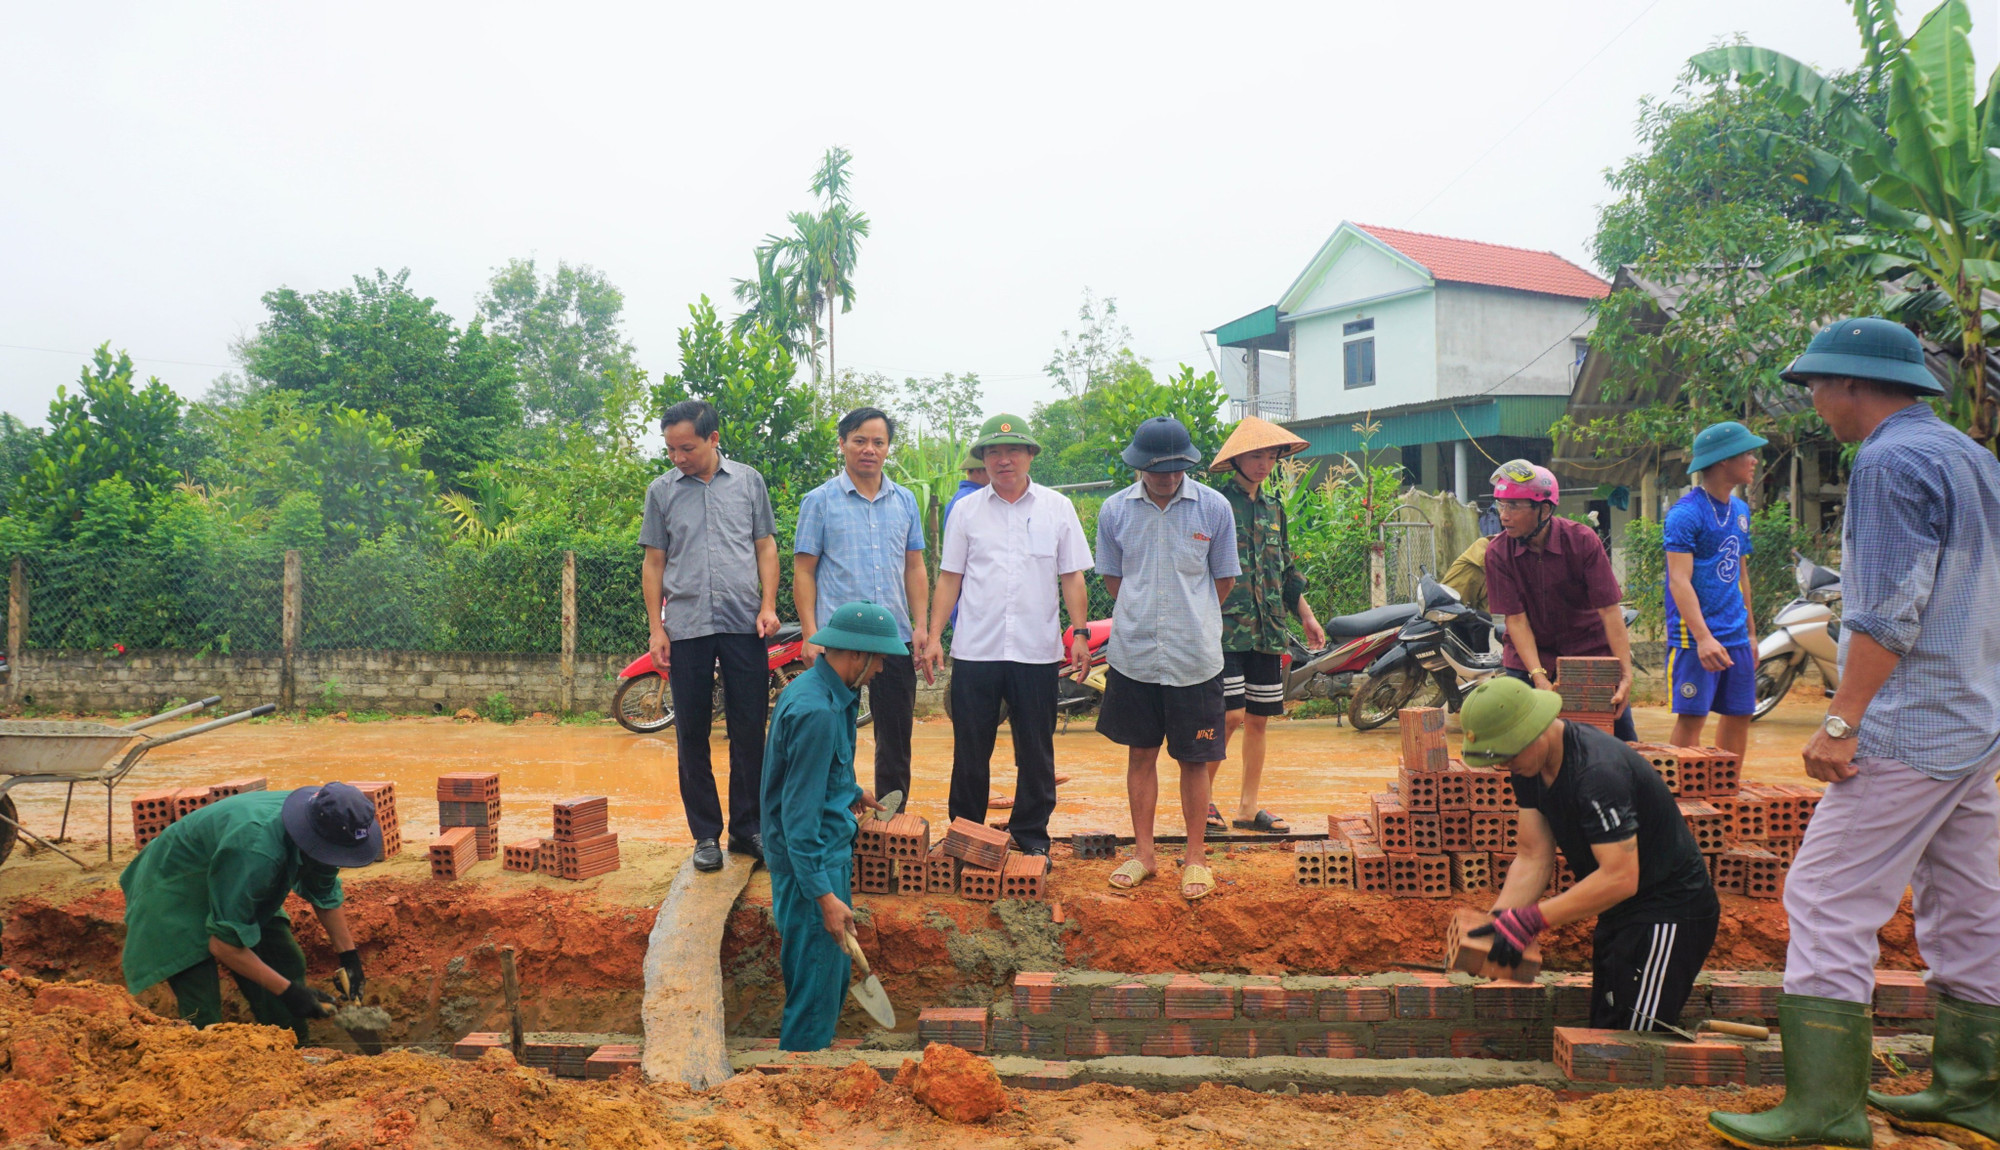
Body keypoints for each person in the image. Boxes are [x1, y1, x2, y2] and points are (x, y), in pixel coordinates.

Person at [1711, 318, 2000, 1150]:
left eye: (1815, 386)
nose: (1813, 401)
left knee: (1828, 898)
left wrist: (1842, 720)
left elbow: (1886, 610)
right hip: (1975, 719)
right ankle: (1972, 1089)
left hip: (1910, 727)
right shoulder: (1969, 456)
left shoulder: (1886, 461)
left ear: (1849, 385)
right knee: (1969, 903)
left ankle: (1827, 1110)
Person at [1458, 677, 1719, 1032]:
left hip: (1668, 911)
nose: (1505, 765)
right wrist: (1502, 921)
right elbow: (1533, 855)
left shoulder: (1597, 774)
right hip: (1619, 913)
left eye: (1508, 754)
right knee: (1608, 1029)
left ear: (1536, 729)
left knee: (1634, 1041)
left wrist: (1530, 921)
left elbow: (1620, 878)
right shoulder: (1529, 765)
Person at [923, 413, 1092, 858]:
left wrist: (1078, 632)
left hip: (1036, 651)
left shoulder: (1057, 507)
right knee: (971, 749)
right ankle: (965, 834)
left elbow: (1072, 576)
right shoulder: (967, 510)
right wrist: (934, 634)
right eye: (993, 452)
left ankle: (1031, 836)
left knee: (1036, 750)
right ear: (983, 460)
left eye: (1013, 450)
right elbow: (949, 578)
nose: (1003, 459)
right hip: (977, 650)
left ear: (1031, 455)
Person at [1095, 417, 1240, 901]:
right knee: (1141, 754)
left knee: (1195, 760)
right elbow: (1115, 580)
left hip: (1194, 657)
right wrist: (1145, 612)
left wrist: (1188, 616)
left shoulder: (1214, 508)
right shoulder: (1115, 511)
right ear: (1139, 465)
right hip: (1133, 654)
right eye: (1157, 470)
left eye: (1176, 469)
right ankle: (1144, 854)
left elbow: (1223, 581)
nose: (1167, 478)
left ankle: (1195, 857)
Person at [120, 783, 377, 1045]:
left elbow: (323, 890)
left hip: (232, 876)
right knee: (202, 1002)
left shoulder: (323, 820)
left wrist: (349, 957)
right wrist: (290, 993)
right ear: (314, 836)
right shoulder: (256, 850)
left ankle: (294, 1050)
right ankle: (207, 1065)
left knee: (285, 961)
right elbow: (224, 945)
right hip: (174, 889)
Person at [640, 399, 781, 874]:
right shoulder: (661, 492)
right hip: (688, 628)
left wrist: (767, 605)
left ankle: (748, 828)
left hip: (745, 623)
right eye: (671, 449)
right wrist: (657, 629)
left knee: (749, 732)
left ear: (713, 439)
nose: (678, 457)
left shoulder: (748, 482)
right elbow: (654, 562)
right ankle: (705, 835)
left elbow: (765, 546)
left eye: (688, 447)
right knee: (692, 734)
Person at [760, 601, 904, 1051]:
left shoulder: (833, 695)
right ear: (856, 656)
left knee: (833, 975)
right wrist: (823, 897)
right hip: (812, 868)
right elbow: (798, 819)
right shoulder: (816, 712)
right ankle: (799, 1077)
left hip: (827, 858)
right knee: (816, 989)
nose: (882, 668)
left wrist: (851, 789)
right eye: (878, 658)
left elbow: (816, 775)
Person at [794, 407, 931, 803]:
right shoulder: (818, 502)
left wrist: (920, 626)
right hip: (838, 645)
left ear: (888, 447)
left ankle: (891, 826)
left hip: (893, 642)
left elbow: (915, 567)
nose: (868, 449)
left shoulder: (905, 501)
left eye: (878, 441)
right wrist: (809, 635)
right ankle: (839, 818)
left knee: (896, 740)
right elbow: (804, 572)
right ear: (843, 445)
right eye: (859, 440)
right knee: (835, 735)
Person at [1207, 416, 1324, 836]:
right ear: (1237, 459)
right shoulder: (1215, 506)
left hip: (1268, 631)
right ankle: (1202, 801)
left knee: (1258, 718)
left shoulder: (1274, 508)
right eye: (1256, 455)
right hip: (1223, 631)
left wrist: (1306, 615)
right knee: (1230, 714)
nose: (1264, 463)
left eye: (1270, 456)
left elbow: (1286, 570)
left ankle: (1247, 807)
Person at [1482, 459, 1638, 741]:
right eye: (1500, 505)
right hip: (1529, 656)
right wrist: (1539, 677)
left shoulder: (1582, 541)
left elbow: (1609, 611)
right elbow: (1515, 621)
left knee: (1620, 739)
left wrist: (1625, 675)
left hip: (1588, 650)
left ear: (1543, 509)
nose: (1504, 516)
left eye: (1513, 506)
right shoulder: (1497, 552)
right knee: (1523, 746)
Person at [1664, 420, 1766, 760]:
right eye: (1747, 453)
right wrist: (1704, 637)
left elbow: (1742, 574)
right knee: (1693, 717)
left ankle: (1726, 792)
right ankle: (1676, 801)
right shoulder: (1685, 514)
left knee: (1740, 713)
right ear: (1724, 459)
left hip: (1735, 634)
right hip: (1696, 638)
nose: (1753, 460)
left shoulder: (1740, 510)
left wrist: (1751, 634)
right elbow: (1679, 580)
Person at [1440, 535, 1492, 613]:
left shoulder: (1492, 576)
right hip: (1445, 601)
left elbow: (1485, 608)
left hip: (1465, 610)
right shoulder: (1482, 544)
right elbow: (1481, 560)